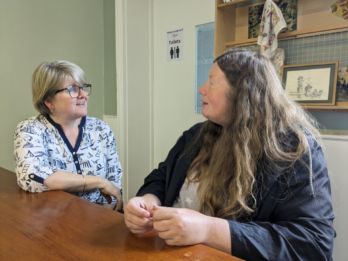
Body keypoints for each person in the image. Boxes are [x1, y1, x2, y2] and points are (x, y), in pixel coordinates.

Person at [124, 49, 335, 260]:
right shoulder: (195, 135)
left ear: (243, 92)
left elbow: (313, 244)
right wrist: (147, 201)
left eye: (212, 81)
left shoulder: (295, 151)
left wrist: (209, 230)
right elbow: (162, 178)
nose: (201, 89)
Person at [14, 60, 122, 210]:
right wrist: (97, 181)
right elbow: (32, 177)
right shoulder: (31, 129)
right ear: (49, 101)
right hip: (56, 222)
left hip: (101, 218)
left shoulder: (101, 129)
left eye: (83, 88)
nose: (83, 95)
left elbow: (114, 185)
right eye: (72, 89)